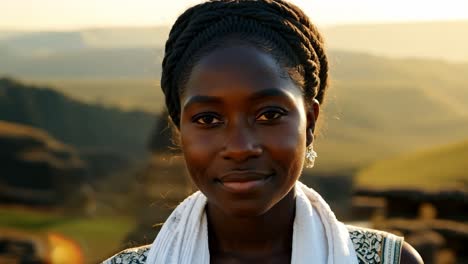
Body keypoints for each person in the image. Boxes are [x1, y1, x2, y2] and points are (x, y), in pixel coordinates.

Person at [103, 0, 423, 263]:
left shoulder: (390, 261)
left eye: (269, 114)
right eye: (208, 119)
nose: (240, 147)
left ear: (309, 123)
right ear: (180, 133)